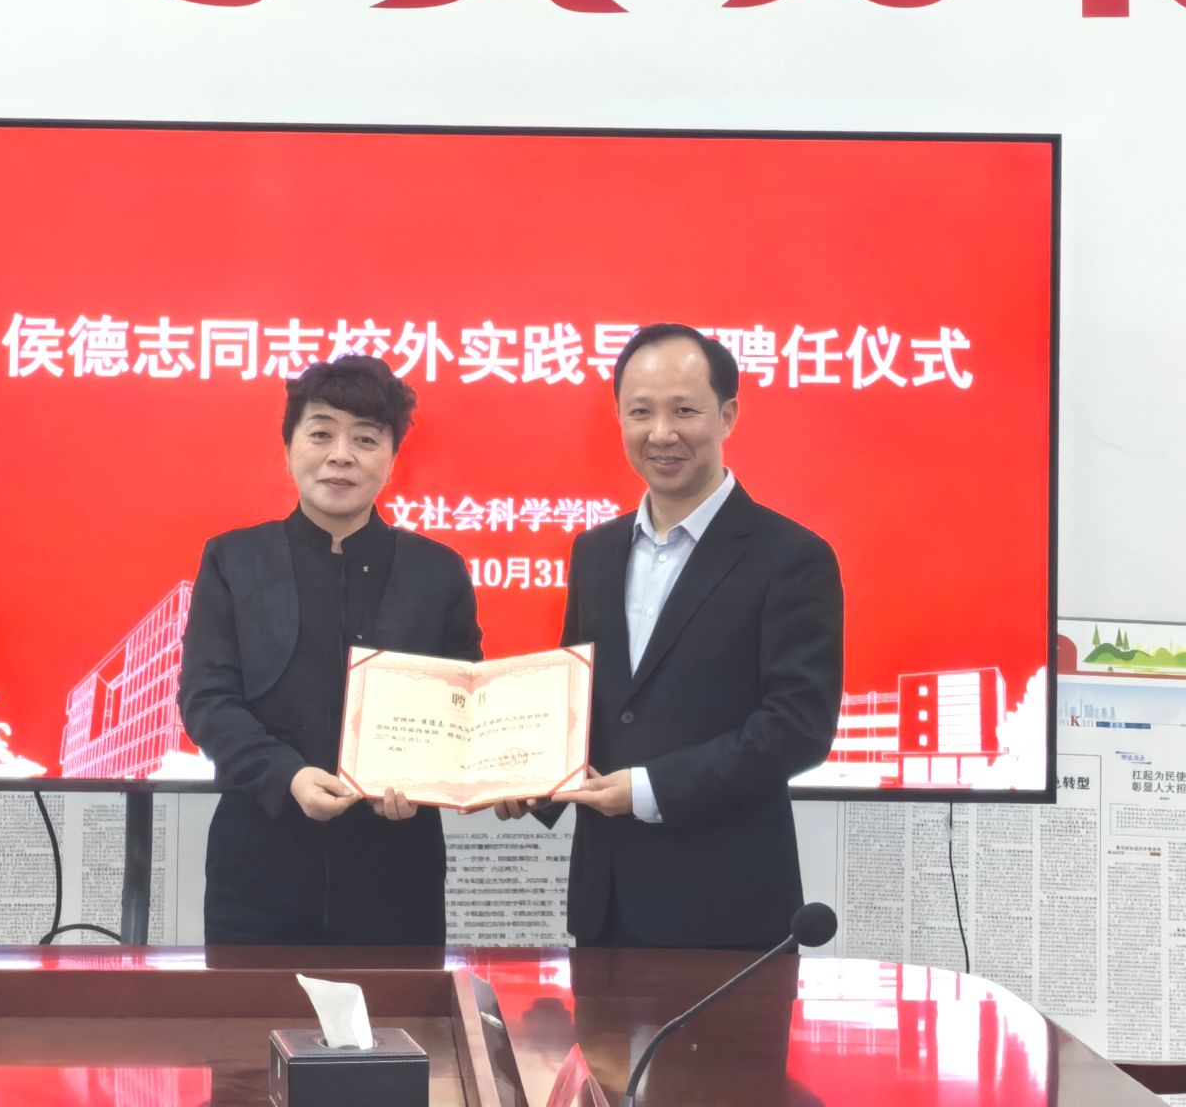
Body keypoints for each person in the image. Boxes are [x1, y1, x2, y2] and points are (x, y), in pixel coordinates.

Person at [504, 324, 844, 948]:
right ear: (619, 418)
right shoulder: (595, 551)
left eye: (684, 410)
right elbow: (581, 703)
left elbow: (798, 727)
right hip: (604, 905)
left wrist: (647, 789)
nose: (660, 433)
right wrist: (527, 779)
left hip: (728, 909)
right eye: (640, 412)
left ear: (728, 415)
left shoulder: (792, 557)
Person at [177, 355, 481, 944]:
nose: (341, 455)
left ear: (392, 461)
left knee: (399, 1007)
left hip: (397, 867)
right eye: (320, 433)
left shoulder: (438, 572)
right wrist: (287, 776)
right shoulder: (234, 560)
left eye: (365, 439)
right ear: (289, 449)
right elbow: (207, 700)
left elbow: (464, 704)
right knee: (254, 1005)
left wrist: (427, 777)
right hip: (258, 863)